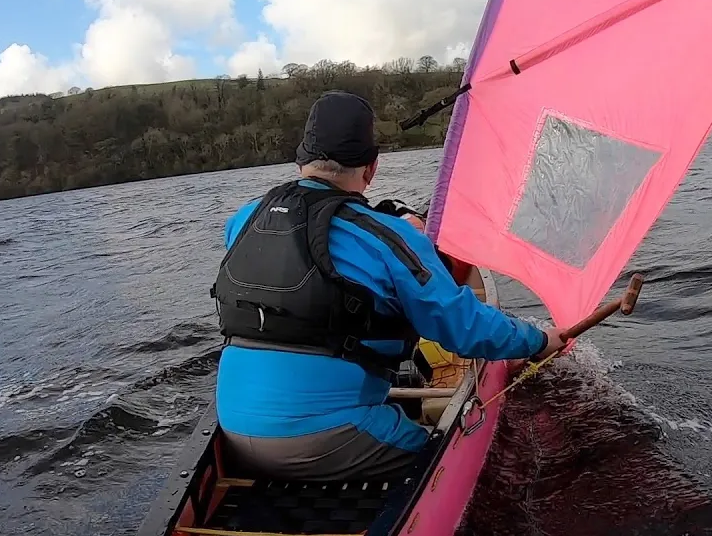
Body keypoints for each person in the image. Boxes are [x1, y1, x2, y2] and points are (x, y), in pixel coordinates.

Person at [210, 90, 567, 481]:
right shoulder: (386, 237)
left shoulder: (242, 221)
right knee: (450, 462)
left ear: (301, 161)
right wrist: (538, 340)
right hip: (328, 441)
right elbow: (463, 328)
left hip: (232, 428)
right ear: (371, 169)